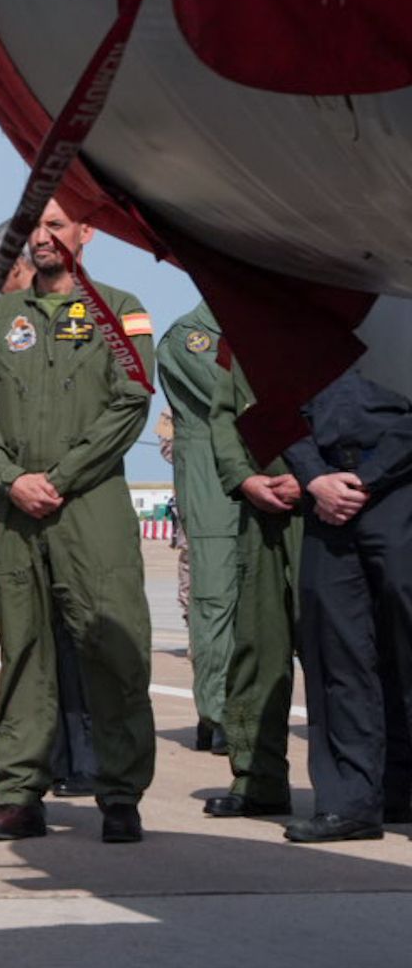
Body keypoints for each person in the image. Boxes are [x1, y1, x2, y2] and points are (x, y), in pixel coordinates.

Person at [0, 200, 156, 842]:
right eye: (34, 228)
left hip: (89, 504)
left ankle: (120, 792)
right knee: (23, 648)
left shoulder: (121, 310)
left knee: (111, 643)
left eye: (56, 226)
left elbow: (131, 404)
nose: (43, 238)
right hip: (15, 508)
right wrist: (13, 478)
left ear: (86, 233)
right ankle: (18, 791)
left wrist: (62, 477)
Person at [282, 369, 412, 842]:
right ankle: (350, 803)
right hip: (327, 498)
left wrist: (366, 479)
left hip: (400, 485)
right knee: (337, 654)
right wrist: (315, 478)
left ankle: (401, 788)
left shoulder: (398, 309)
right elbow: (270, 411)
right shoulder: (294, 329)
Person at [198, 345, 303, 818]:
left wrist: (312, 477)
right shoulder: (245, 336)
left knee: (345, 656)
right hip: (261, 513)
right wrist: (244, 478)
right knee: (258, 649)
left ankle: (375, 783)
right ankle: (257, 779)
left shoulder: (348, 314)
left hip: (328, 510)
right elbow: (223, 417)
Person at [158, 302, 238, 754]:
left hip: (266, 481)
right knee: (214, 601)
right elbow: (242, 397)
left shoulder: (261, 328)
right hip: (214, 490)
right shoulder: (191, 336)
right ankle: (219, 710)